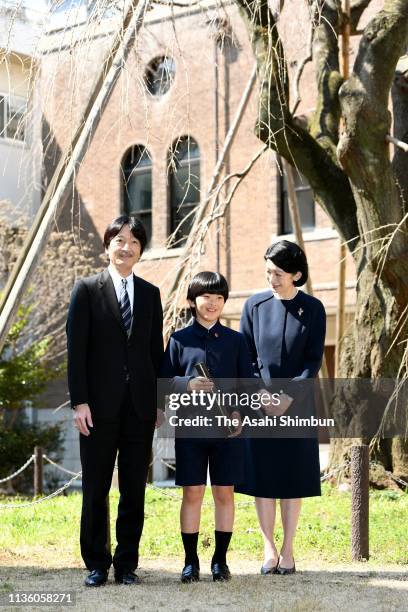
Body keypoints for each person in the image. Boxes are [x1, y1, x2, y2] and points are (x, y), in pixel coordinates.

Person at [66, 215, 163, 587]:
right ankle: (95, 563)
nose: (127, 247)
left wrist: (158, 401)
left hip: (139, 408)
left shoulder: (151, 294)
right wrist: (80, 402)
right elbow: (77, 352)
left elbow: (156, 351)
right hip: (98, 408)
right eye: (120, 240)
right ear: (108, 245)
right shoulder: (87, 290)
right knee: (96, 487)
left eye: (135, 242)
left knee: (134, 489)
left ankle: (126, 564)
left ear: (141, 250)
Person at [235, 240, 326, 575]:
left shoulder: (314, 309)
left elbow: (312, 359)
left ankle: (288, 549)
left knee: (291, 477)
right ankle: (268, 548)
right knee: (262, 478)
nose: (270, 278)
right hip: (259, 406)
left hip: (297, 406)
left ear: (296, 274)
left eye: (277, 272)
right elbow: (247, 357)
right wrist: (261, 395)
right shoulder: (253, 306)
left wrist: (289, 397)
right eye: (268, 271)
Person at [160, 271, 254, 583]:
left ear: (224, 302)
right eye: (205, 297)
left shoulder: (236, 340)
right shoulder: (178, 340)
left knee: (225, 492)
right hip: (191, 429)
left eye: (218, 298)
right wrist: (187, 384)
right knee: (193, 492)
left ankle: (220, 561)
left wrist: (240, 411)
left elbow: (246, 383)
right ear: (192, 301)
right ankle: (190, 562)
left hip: (229, 431)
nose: (212, 303)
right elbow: (162, 383)